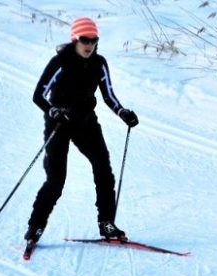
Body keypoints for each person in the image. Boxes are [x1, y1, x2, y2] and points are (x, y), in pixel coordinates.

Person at [25, 17, 139, 245]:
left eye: (94, 40)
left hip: (86, 123)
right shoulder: (60, 62)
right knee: (56, 179)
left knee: (103, 169)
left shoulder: (99, 63)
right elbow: (39, 95)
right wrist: (53, 111)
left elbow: (108, 96)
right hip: (59, 125)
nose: (89, 45)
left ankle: (106, 223)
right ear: (75, 40)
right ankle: (35, 227)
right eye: (84, 40)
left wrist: (122, 112)